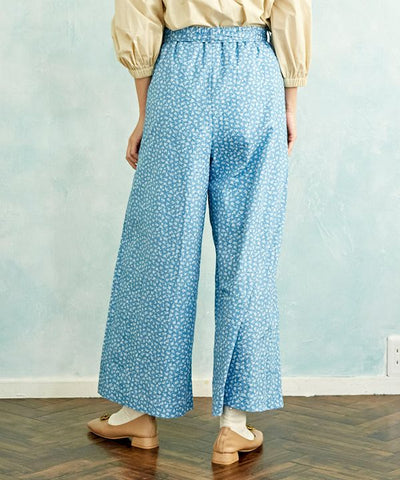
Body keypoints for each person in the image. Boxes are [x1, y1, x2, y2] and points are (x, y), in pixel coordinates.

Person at [87, 0, 311, 465]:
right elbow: (290, 9)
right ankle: (233, 426)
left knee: (160, 248)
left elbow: (139, 12)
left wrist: (146, 112)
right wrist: (290, 103)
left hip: (179, 79)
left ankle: (139, 412)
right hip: (253, 79)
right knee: (248, 252)